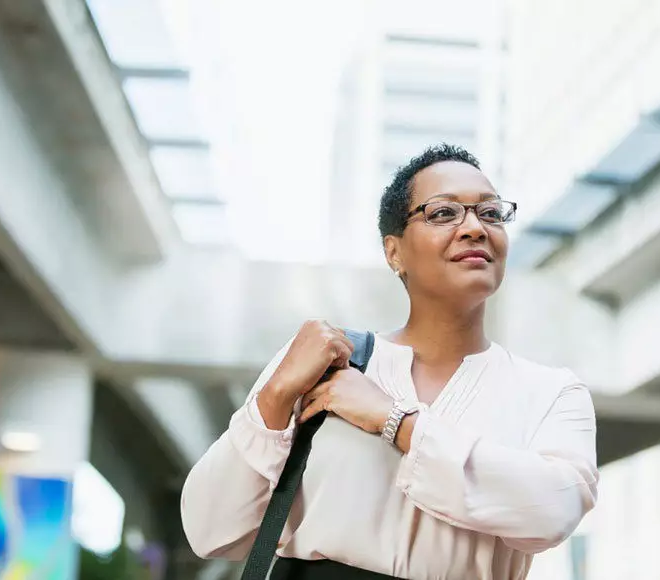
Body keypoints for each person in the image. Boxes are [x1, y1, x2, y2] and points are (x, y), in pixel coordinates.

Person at [180, 144, 599, 579]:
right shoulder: (322, 362)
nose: (474, 227)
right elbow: (210, 530)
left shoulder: (551, 393)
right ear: (394, 251)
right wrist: (277, 393)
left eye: (490, 213)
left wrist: (393, 420)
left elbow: (552, 510)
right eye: (443, 213)